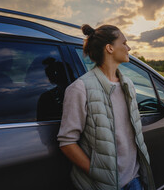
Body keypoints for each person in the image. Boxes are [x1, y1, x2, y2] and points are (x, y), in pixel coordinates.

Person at [57, 24, 155, 190]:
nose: (128, 47)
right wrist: (99, 174)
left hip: (134, 178)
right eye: (124, 43)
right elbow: (67, 142)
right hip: (101, 185)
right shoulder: (80, 89)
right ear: (110, 48)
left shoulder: (128, 85)